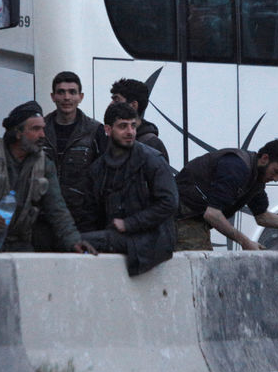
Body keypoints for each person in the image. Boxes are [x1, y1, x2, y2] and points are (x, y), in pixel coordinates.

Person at [0, 100, 96, 254]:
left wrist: (74, 242)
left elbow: (57, 209)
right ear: (18, 133)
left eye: (43, 129)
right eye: (35, 129)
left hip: (17, 245)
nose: (42, 135)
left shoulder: (44, 165)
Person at [175, 138, 278, 251]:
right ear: (265, 159)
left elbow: (262, 217)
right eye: (276, 172)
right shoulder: (237, 167)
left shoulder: (256, 178)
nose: (276, 179)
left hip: (192, 217)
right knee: (201, 267)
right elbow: (212, 214)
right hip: (181, 215)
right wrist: (245, 241)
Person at [80, 102, 178, 275]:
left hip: (152, 240)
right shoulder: (98, 169)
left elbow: (169, 203)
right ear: (108, 130)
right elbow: (89, 213)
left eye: (133, 126)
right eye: (123, 126)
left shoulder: (152, 160)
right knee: (77, 242)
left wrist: (129, 223)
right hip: (122, 238)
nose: (130, 132)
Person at [34, 71, 107, 249]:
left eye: (72, 92)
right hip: (42, 218)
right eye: (61, 92)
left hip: (82, 220)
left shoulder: (94, 130)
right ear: (53, 96)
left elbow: (103, 175)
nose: (67, 97)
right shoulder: (39, 128)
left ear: (80, 97)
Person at [109, 78, 169, 162]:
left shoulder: (152, 144)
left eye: (117, 100)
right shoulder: (109, 139)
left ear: (133, 105)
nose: (111, 104)